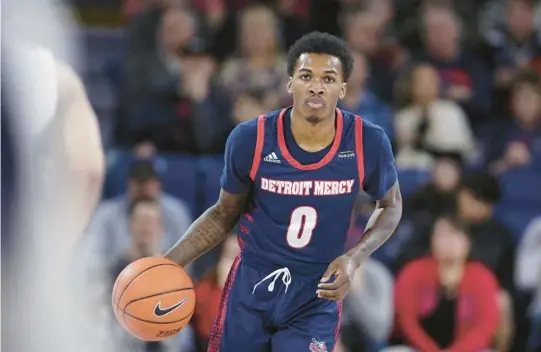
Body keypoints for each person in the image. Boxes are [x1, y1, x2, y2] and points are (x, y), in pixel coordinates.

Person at [165, 31, 402, 351]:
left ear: (343, 88)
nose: (316, 85)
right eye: (306, 76)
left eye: (328, 78)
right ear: (290, 82)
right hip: (252, 286)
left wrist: (353, 259)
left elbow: (390, 206)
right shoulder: (251, 138)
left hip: (316, 293)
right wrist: (168, 263)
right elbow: (223, 214)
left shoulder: (367, 141)